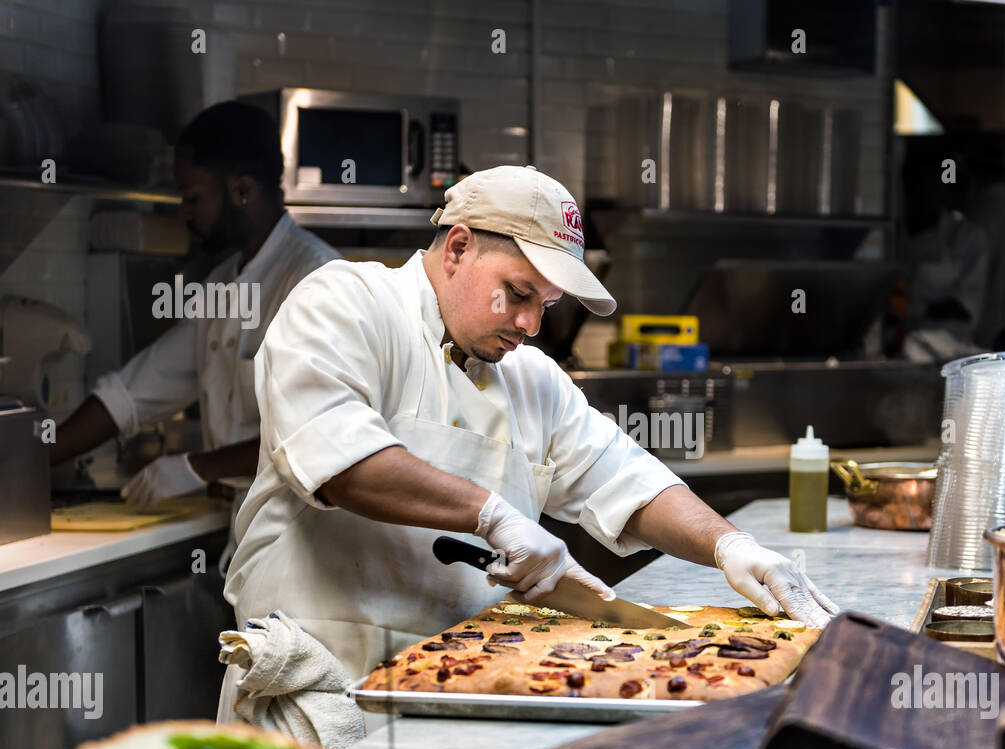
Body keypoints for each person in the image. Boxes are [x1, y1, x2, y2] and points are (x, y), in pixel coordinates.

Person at [221, 165, 838, 710]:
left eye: (547, 304)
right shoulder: (343, 303)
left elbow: (623, 476)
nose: (531, 324)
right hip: (317, 686)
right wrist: (494, 516)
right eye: (519, 293)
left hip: (458, 688)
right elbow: (342, 461)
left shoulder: (531, 378)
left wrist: (732, 547)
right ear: (458, 246)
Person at [51, 101, 339, 508]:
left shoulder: (318, 278)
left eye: (192, 197)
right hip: (247, 537)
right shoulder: (221, 284)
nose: (184, 213)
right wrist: (32, 457)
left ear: (242, 190)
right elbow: (131, 393)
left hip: (311, 546)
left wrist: (199, 467)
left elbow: (323, 432)